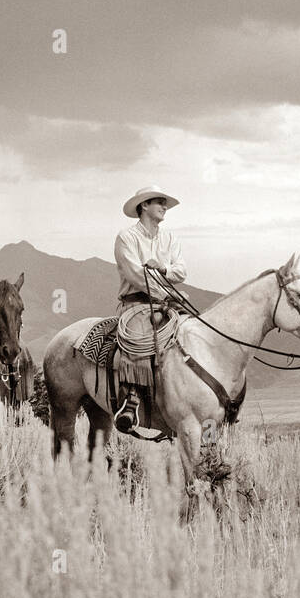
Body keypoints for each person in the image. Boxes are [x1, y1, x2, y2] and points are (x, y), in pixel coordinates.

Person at [113, 184, 186, 432]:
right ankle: (131, 401)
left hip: (167, 300)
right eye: (159, 202)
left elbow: (182, 271)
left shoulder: (170, 239)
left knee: (196, 331)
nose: (164, 207)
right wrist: (167, 293)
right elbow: (135, 275)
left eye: (165, 203)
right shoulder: (127, 237)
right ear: (144, 205)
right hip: (137, 302)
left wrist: (163, 268)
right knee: (140, 339)